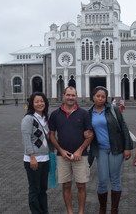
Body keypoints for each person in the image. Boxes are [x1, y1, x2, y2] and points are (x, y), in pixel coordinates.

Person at [88, 86, 133, 214]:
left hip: (116, 149)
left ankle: (114, 209)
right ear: (93, 97)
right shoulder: (89, 113)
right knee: (102, 180)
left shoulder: (114, 109)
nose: (100, 99)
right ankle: (102, 208)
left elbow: (123, 127)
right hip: (100, 150)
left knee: (115, 179)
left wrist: (127, 147)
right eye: (98, 96)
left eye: (103, 96)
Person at [49, 86, 94, 214]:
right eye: (68, 95)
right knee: (66, 185)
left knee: (81, 185)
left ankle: (81, 212)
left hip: (81, 156)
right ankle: (70, 211)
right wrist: (61, 150)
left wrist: (80, 150)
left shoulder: (84, 114)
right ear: (63, 96)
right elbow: (51, 134)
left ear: (76, 96)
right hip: (62, 156)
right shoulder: (55, 114)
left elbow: (90, 135)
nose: (70, 97)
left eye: (73, 95)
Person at [21, 92, 51, 214]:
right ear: (32, 104)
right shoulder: (29, 119)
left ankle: (44, 211)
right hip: (33, 160)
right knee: (34, 189)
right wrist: (32, 157)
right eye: (37, 101)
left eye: (42, 101)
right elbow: (26, 140)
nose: (40, 104)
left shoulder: (45, 118)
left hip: (45, 159)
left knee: (43, 189)